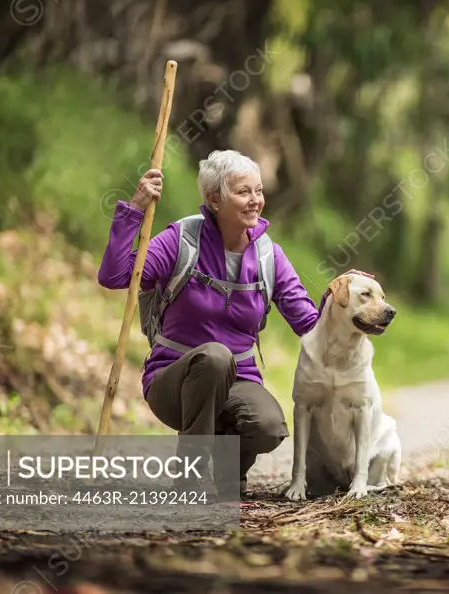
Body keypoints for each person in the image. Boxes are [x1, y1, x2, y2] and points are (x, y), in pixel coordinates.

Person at [98, 149, 331, 501]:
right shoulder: (181, 240)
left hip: (238, 380)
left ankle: (228, 478)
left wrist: (342, 298)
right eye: (243, 192)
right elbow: (116, 275)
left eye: (259, 190)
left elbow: (310, 326)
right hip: (173, 382)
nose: (255, 201)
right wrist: (135, 209)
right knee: (215, 357)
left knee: (267, 426)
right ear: (214, 199)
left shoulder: (269, 255)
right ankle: (188, 483)